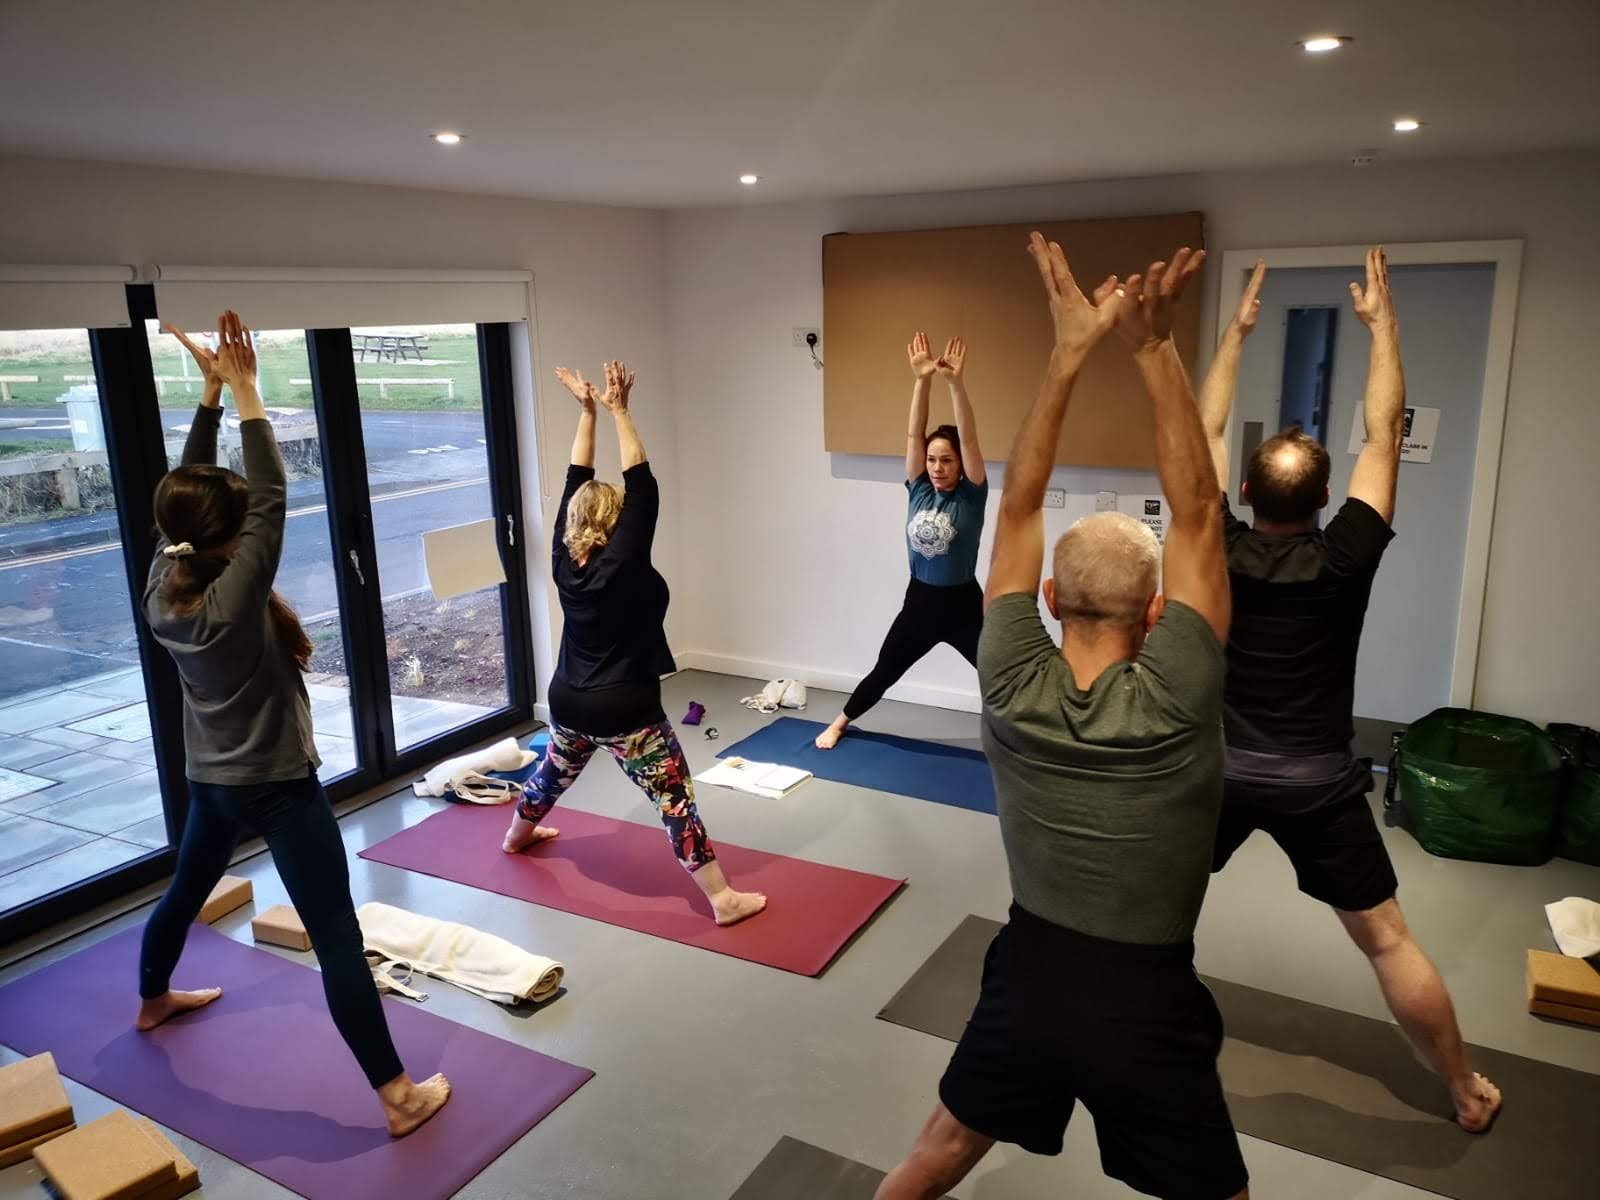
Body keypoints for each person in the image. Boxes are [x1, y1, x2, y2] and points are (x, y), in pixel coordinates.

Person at [877, 237, 1247, 1200]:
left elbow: (1020, 503)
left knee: (936, 1154)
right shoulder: (1178, 695)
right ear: (1158, 615)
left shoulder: (1009, 675)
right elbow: (1200, 514)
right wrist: (1155, 347)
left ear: (1045, 596)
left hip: (1028, 979)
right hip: (1147, 1002)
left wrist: (1068, 351)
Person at [1197, 250, 1501, 1132]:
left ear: (1244, 493)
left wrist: (1234, 337)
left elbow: (1202, 432)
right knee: (1387, 940)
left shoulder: (1212, 538)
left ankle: (1114, 1045)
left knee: (1149, 918)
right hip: (1316, 782)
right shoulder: (1345, 555)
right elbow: (1381, 435)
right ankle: (1463, 1091)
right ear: (1329, 496)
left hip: (1214, 772)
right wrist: (1384, 330)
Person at [136, 312, 450, 1138]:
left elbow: (189, 498)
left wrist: (207, 398)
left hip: (210, 782)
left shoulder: (163, 580)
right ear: (229, 541)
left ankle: (152, 999)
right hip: (276, 789)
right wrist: (247, 396)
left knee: (185, 890)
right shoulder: (234, 603)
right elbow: (269, 497)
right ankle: (397, 1097)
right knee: (337, 937)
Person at [501, 361, 766, 926]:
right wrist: (619, 410)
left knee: (553, 769)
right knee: (675, 797)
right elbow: (641, 482)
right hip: (626, 709)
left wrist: (587, 412)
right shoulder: (623, 559)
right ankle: (723, 900)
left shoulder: (561, 559)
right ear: (617, 520)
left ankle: (515, 836)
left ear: (573, 520)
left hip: (569, 698)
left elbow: (577, 475)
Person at [815, 333, 987, 749]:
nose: (937, 467)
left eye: (947, 460)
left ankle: (1029, 740)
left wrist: (955, 384)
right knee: (885, 669)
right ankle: (840, 722)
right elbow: (914, 436)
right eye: (932, 460)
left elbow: (970, 436)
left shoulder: (972, 493)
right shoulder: (919, 489)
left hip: (964, 603)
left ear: (961, 463)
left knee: (1000, 675)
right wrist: (921, 380)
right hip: (921, 602)